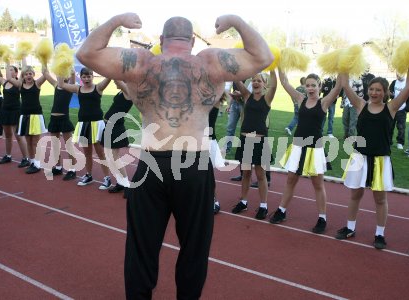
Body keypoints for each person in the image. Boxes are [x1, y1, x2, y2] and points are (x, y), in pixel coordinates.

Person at [76, 13, 273, 299]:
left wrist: (116, 20)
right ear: (192, 41)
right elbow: (262, 56)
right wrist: (236, 21)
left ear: (160, 40)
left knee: (141, 247)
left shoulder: (142, 62)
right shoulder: (210, 62)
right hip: (193, 163)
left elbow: (86, 53)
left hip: (151, 163)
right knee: (194, 248)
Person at [335, 69, 409, 250]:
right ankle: (350, 228)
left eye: (379, 90)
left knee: (380, 199)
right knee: (355, 195)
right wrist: (344, 66)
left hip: (380, 160)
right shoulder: (361, 105)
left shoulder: (391, 108)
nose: (374, 93)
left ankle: (379, 234)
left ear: (386, 92)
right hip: (359, 158)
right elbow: (345, 85)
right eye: (372, 89)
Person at [269, 70, 341, 234]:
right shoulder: (301, 99)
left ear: (319, 86)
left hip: (315, 148)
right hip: (297, 146)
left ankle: (322, 218)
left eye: (313, 85)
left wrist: (342, 68)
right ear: (304, 87)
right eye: (307, 85)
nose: (310, 88)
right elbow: (285, 83)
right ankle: (281, 210)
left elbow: (337, 87)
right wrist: (280, 65)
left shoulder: (323, 103)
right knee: (290, 180)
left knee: (317, 184)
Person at [231, 71, 277, 220]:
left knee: (261, 175)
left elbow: (275, 85)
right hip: (245, 140)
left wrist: (273, 67)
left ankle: (263, 206)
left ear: (265, 84)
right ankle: (243, 202)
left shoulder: (267, 98)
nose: (256, 83)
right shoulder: (247, 96)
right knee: (246, 173)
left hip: (260, 141)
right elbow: (237, 80)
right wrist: (240, 67)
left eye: (259, 81)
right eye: (254, 80)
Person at [57, 68, 112, 189]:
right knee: (87, 153)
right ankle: (89, 175)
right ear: (80, 77)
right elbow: (61, 84)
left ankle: (107, 178)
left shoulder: (98, 88)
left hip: (97, 124)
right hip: (83, 124)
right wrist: (61, 67)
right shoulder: (78, 89)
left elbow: (109, 76)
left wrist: (111, 67)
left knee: (100, 153)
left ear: (93, 76)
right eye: (84, 77)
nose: (87, 79)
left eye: (89, 76)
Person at [7, 58, 47, 174]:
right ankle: (32, 162)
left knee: (35, 142)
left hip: (35, 116)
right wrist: (8, 61)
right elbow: (9, 78)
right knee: (28, 141)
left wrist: (44, 58)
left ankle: (38, 164)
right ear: (23, 76)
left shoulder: (37, 83)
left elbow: (45, 74)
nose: (28, 76)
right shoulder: (20, 85)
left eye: (30, 73)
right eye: (26, 74)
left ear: (33, 74)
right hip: (24, 116)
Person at [0, 62, 30, 167]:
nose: (9, 71)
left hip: (15, 111)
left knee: (18, 136)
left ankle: (26, 158)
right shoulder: (4, 82)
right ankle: (8, 155)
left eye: (12, 70)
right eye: (9, 69)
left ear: (16, 73)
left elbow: (23, 70)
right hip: (5, 111)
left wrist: (7, 62)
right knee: (7, 135)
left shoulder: (19, 82)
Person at [42, 67, 78, 181]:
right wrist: (44, 60)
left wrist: (69, 67)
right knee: (55, 145)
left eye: (63, 74)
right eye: (60, 74)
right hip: (54, 118)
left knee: (68, 145)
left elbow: (72, 75)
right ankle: (58, 167)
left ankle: (72, 169)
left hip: (64, 118)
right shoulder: (56, 84)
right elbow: (45, 73)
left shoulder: (70, 87)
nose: (61, 76)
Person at [100, 80, 133, 193]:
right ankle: (120, 182)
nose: (115, 83)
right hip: (109, 126)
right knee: (110, 156)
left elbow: (116, 77)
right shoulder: (121, 92)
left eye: (118, 81)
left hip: (115, 127)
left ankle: (127, 185)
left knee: (114, 157)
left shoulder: (129, 92)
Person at [209, 92, 227, 214]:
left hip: (208, 142)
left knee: (207, 175)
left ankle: (214, 201)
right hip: (192, 141)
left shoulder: (214, 101)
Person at [389, 73, 409, 150]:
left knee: (401, 127)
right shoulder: (394, 82)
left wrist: (406, 109)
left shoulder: (407, 84)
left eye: (401, 74)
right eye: (397, 74)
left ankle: (400, 142)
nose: (399, 76)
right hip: (393, 108)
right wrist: (391, 94)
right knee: (390, 126)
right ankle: (389, 141)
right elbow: (391, 93)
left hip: (402, 109)